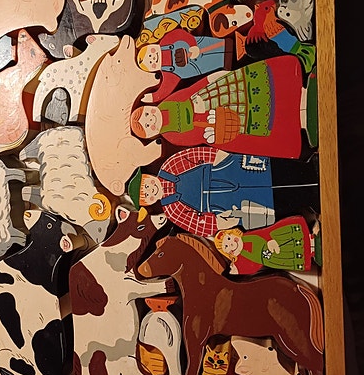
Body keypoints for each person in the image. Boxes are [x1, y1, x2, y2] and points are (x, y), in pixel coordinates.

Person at [130, 55, 316, 158]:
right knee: (259, 124)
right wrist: (210, 126)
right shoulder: (172, 136)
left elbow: (192, 90)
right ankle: (302, 123)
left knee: (261, 86)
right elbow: (196, 135)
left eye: (146, 115)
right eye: (147, 125)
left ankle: (303, 90)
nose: (150, 119)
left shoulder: (168, 102)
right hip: (219, 126)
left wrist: (213, 79)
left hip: (216, 93)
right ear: (152, 133)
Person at [127, 146, 320, 238]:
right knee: (270, 203)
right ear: (149, 203)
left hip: (228, 171)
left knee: (268, 171)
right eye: (147, 196)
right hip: (227, 204)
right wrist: (221, 222)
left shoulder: (170, 165)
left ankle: (309, 169)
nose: (151, 191)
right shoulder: (172, 210)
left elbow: (198, 155)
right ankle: (308, 201)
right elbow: (197, 224)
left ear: (148, 177)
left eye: (146, 186)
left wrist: (221, 158)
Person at [137, 27, 233, 103]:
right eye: (150, 62)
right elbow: (166, 88)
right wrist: (154, 97)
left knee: (212, 45)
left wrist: (192, 44)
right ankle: (224, 61)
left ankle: (226, 44)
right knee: (211, 63)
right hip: (198, 66)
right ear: (153, 68)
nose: (153, 58)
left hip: (197, 46)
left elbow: (179, 34)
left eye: (150, 54)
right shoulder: (168, 74)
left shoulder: (166, 41)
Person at [213, 215, 321, 274]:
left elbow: (258, 237)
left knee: (290, 237)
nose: (230, 243)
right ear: (227, 252)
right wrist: (237, 270)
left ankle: (312, 239)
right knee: (290, 253)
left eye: (228, 238)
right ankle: (312, 253)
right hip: (273, 258)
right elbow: (252, 267)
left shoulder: (246, 237)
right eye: (226, 246)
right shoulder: (240, 257)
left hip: (273, 238)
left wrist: (269, 242)